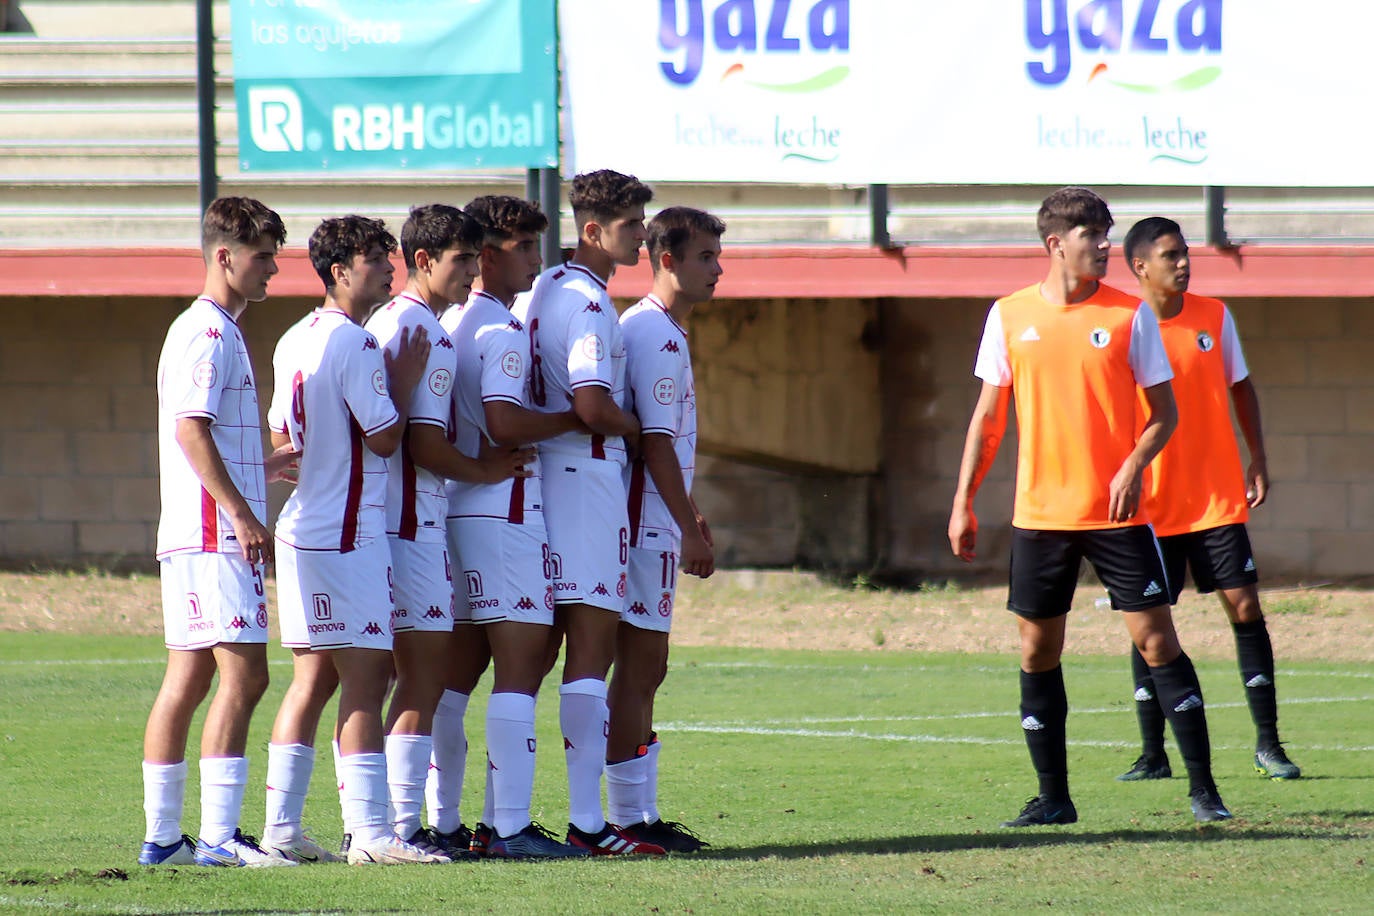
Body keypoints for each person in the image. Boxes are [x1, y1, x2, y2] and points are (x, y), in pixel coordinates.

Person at [947, 187, 1232, 826]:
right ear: (1056, 244)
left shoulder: (1132, 317)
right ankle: (1053, 799)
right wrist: (963, 501)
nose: (1105, 246)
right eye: (1092, 237)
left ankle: (1204, 792)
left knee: (1158, 643)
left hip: (1118, 518)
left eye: (1107, 235)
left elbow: (1165, 415)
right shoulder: (1009, 315)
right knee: (1036, 652)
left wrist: (1133, 464)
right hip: (1040, 517)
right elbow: (988, 418)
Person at [259, 215, 446, 865]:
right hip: (345, 533)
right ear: (339, 271)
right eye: (374, 258)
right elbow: (388, 437)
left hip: (304, 526)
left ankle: (281, 832)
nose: (390, 268)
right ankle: (371, 835)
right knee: (367, 678)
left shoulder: (292, 338)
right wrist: (403, 377)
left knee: (310, 682)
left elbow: (284, 437)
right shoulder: (359, 344)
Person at [362, 204, 534, 861]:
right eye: (461, 260)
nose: (471, 273)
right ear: (424, 261)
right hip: (411, 522)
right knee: (422, 679)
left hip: (383, 522)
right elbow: (425, 446)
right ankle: (402, 828)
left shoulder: (388, 322)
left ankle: (395, 825)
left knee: (385, 678)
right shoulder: (425, 334)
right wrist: (486, 466)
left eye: (475, 258)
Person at [511, 169, 665, 855]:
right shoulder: (594, 305)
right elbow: (591, 405)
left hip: (547, 480)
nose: (641, 234)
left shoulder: (543, 289)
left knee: (534, 654)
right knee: (590, 650)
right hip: (586, 478)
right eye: (632, 225)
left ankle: (499, 819)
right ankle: (588, 823)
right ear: (594, 230)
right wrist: (641, 427)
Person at [142, 196, 296, 868]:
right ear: (224, 255)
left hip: (189, 531)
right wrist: (240, 510)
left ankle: (163, 839)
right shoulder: (208, 333)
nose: (272, 271)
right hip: (212, 535)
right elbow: (189, 427)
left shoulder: (202, 329)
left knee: (189, 679)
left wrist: (262, 467)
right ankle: (219, 837)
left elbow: (196, 435)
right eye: (263, 257)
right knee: (247, 676)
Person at [1116, 216, 1300, 782]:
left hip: (1216, 497)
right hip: (1152, 504)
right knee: (1150, 624)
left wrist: (1259, 458)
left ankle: (1268, 745)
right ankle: (1153, 755)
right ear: (1140, 265)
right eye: (1170, 254)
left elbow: (1241, 386)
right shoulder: (1123, 325)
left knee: (1245, 606)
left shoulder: (1215, 316)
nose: (1183, 262)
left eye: (1185, 252)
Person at [438, 194, 589, 858]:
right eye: (526, 246)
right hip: (503, 508)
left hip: (462, 507)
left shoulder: (454, 322)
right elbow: (504, 422)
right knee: (524, 665)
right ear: (490, 254)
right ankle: (509, 827)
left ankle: (443, 821)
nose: (537, 259)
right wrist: (573, 418)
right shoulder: (498, 330)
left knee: (456, 674)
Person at [606, 206, 722, 853]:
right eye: (705, 257)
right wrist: (689, 531)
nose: (718, 269)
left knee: (651, 667)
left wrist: (691, 511)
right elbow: (652, 445)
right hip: (639, 526)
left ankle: (638, 815)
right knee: (638, 666)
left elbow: (667, 445)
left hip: (655, 522)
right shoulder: (652, 334)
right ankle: (626, 821)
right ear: (668, 259)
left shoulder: (667, 332)